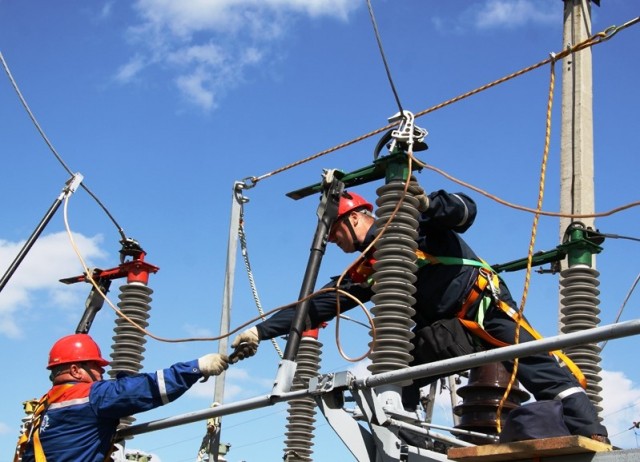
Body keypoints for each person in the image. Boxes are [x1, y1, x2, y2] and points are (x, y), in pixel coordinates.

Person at [230, 185, 609, 443]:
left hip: (482, 305)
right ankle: (407, 440)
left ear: (358, 217)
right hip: (442, 332)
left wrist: (426, 205)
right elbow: (315, 307)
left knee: (537, 365)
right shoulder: (369, 271)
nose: (334, 242)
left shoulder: (412, 227)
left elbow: (465, 210)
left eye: (334, 233)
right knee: (398, 379)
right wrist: (260, 333)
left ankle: (589, 430)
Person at [16, 333, 229, 461]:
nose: (101, 374)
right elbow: (150, 388)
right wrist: (197, 367)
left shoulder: (44, 406)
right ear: (75, 370)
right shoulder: (92, 396)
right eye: (96, 367)